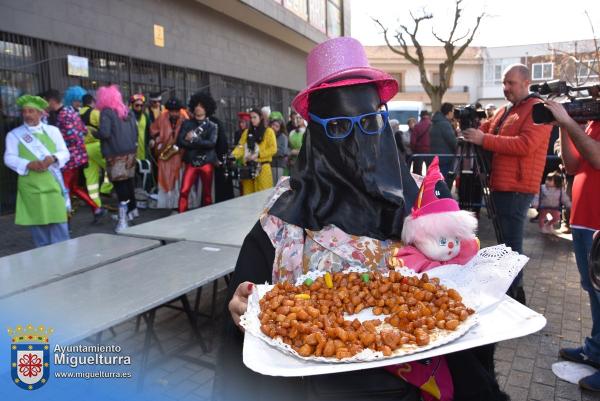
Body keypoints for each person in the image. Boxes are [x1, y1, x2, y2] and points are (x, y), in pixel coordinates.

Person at [216, 36, 508, 401]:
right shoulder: (283, 220)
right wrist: (239, 302)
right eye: (338, 126)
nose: (356, 140)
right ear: (316, 135)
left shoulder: (425, 199)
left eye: (368, 121)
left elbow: (464, 282)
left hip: (419, 388)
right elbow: (247, 292)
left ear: (383, 121)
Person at [462, 64, 552, 304]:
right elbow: (489, 129)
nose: (506, 88)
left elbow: (525, 145)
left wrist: (484, 139)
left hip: (517, 186)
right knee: (506, 243)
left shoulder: (538, 110)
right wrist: (472, 129)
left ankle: (515, 295)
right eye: (504, 83)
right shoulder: (507, 110)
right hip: (503, 184)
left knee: (511, 245)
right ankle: (510, 292)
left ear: (526, 82)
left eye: (510, 83)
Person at [545, 99, 600, 392]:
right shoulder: (594, 120)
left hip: (597, 222)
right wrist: (564, 130)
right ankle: (595, 351)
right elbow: (572, 165)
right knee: (593, 291)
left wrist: (568, 123)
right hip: (583, 219)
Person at [4, 95, 70, 247]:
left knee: (59, 220)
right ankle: (43, 259)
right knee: (38, 224)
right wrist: (28, 164)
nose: (27, 114)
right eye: (24, 111)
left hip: (53, 183)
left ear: (40, 113)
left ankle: (65, 258)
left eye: (31, 111)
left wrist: (53, 158)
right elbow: (9, 158)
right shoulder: (14, 135)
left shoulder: (53, 131)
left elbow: (65, 153)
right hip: (30, 186)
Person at [42, 89, 107, 221]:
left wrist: (58, 143)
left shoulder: (63, 115)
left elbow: (73, 136)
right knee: (73, 187)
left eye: (45, 102)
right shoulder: (71, 111)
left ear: (51, 101)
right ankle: (96, 209)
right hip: (77, 157)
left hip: (69, 159)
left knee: (64, 189)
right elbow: (83, 130)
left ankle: (66, 220)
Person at [94, 85, 139, 231]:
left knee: (120, 186)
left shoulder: (106, 112)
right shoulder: (128, 112)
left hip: (115, 153)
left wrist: (94, 133)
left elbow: (105, 134)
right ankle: (132, 211)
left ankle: (123, 217)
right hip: (131, 152)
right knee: (128, 183)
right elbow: (136, 131)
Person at [177, 92, 218, 212]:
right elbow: (180, 142)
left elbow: (212, 143)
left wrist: (194, 139)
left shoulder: (212, 126)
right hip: (191, 162)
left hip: (206, 163)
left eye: (201, 105)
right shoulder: (187, 123)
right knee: (184, 191)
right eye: (196, 105)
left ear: (206, 108)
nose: (198, 108)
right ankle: (181, 215)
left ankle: (207, 218)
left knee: (207, 194)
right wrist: (199, 143)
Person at [150, 97, 187, 209]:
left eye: (176, 111)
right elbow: (153, 131)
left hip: (180, 155)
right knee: (166, 180)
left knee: (178, 181)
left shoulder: (185, 118)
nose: (174, 113)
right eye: (172, 111)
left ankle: (178, 205)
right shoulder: (162, 117)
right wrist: (155, 140)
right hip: (166, 156)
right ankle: (168, 205)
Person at [231, 108, 277, 195]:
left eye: (254, 117)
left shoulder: (268, 131)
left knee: (263, 195)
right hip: (248, 168)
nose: (252, 120)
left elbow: (273, 149)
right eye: (251, 118)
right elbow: (240, 147)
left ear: (260, 118)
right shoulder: (246, 132)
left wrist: (258, 154)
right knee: (248, 195)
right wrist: (233, 156)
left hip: (263, 167)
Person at [79, 94, 113, 208]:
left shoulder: (76, 114)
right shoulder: (95, 113)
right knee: (111, 166)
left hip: (83, 149)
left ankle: (96, 204)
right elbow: (105, 129)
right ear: (92, 102)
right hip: (97, 145)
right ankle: (106, 188)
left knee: (91, 177)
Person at [429, 103, 457, 178]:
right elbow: (453, 142)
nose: (454, 114)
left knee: (438, 183)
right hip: (445, 159)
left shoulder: (436, 122)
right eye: (453, 111)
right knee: (445, 183)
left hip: (436, 158)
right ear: (449, 112)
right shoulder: (445, 124)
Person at [269, 111, 288, 184]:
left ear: (280, 127)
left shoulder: (283, 137)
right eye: (273, 125)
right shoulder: (269, 136)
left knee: (278, 185)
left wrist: (272, 151)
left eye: (276, 126)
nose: (274, 127)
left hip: (279, 164)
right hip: (270, 164)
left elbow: (282, 152)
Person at [410, 110, 431, 174]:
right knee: (430, 170)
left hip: (419, 151)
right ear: (428, 116)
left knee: (417, 172)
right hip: (430, 151)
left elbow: (412, 141)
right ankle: (430, 183)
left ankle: (418, 184)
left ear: (421, 116)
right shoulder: (432, 125)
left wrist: (414, 150)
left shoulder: (417, 126)